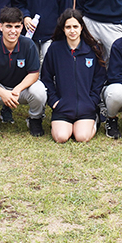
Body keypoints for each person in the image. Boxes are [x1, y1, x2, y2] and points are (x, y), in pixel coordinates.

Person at [0, 7, 47, 137]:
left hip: (21, 89)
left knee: (40, 91)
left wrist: (17, 89)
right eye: (8, 26)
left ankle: (35, 120)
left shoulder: (28, 44)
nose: (13, 31)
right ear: (0, 27)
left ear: (21, 28)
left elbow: (34, 74)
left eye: (17, 27)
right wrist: (2, 92)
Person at [40, 9, 106, 143]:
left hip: (86, 107)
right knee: (61, 137)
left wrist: (93, 100)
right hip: (63, 107)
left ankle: (95, 119)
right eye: (68, 27)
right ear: (63, 29)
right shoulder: (55, 49)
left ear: (81, 27)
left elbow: (99, 78)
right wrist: (54, 101)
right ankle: (68, 125)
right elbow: (46, 77)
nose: (72, 30)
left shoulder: (92, 49)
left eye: (75, 26)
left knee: (81, 137)